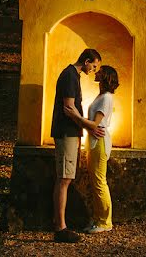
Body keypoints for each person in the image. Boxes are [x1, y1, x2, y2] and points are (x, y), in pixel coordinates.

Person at [51, 48, 103, 243]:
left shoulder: (72, 75)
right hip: (66, 132)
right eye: (94, 65)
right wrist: (88, 126)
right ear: (87, 61)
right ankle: (60, 228)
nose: (94, 70)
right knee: (64, 178)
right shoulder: (70, 75)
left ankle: (60, 224)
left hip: (70, 132)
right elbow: (69, 108)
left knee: (65, 177)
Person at [65, 64, 119, 233]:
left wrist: (76, 116)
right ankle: (98, 219)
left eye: (100, 71)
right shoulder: (101, 96)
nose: (97, 72)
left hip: (100, 143)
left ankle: (105, 222)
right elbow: (94, 125)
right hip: (95, 141)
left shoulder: (106, 98)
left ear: (106, 77)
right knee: (96, 182)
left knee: (99, 182)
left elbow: (96, 124)